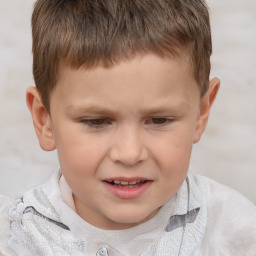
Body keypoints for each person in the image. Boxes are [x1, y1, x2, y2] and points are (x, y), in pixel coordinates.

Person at [0, 0, 256, 255]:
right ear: (45, 120)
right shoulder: (12, 239)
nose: (130, 153)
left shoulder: (237, 233)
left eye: (159, 120)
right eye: (96, 121)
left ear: (201, 113)